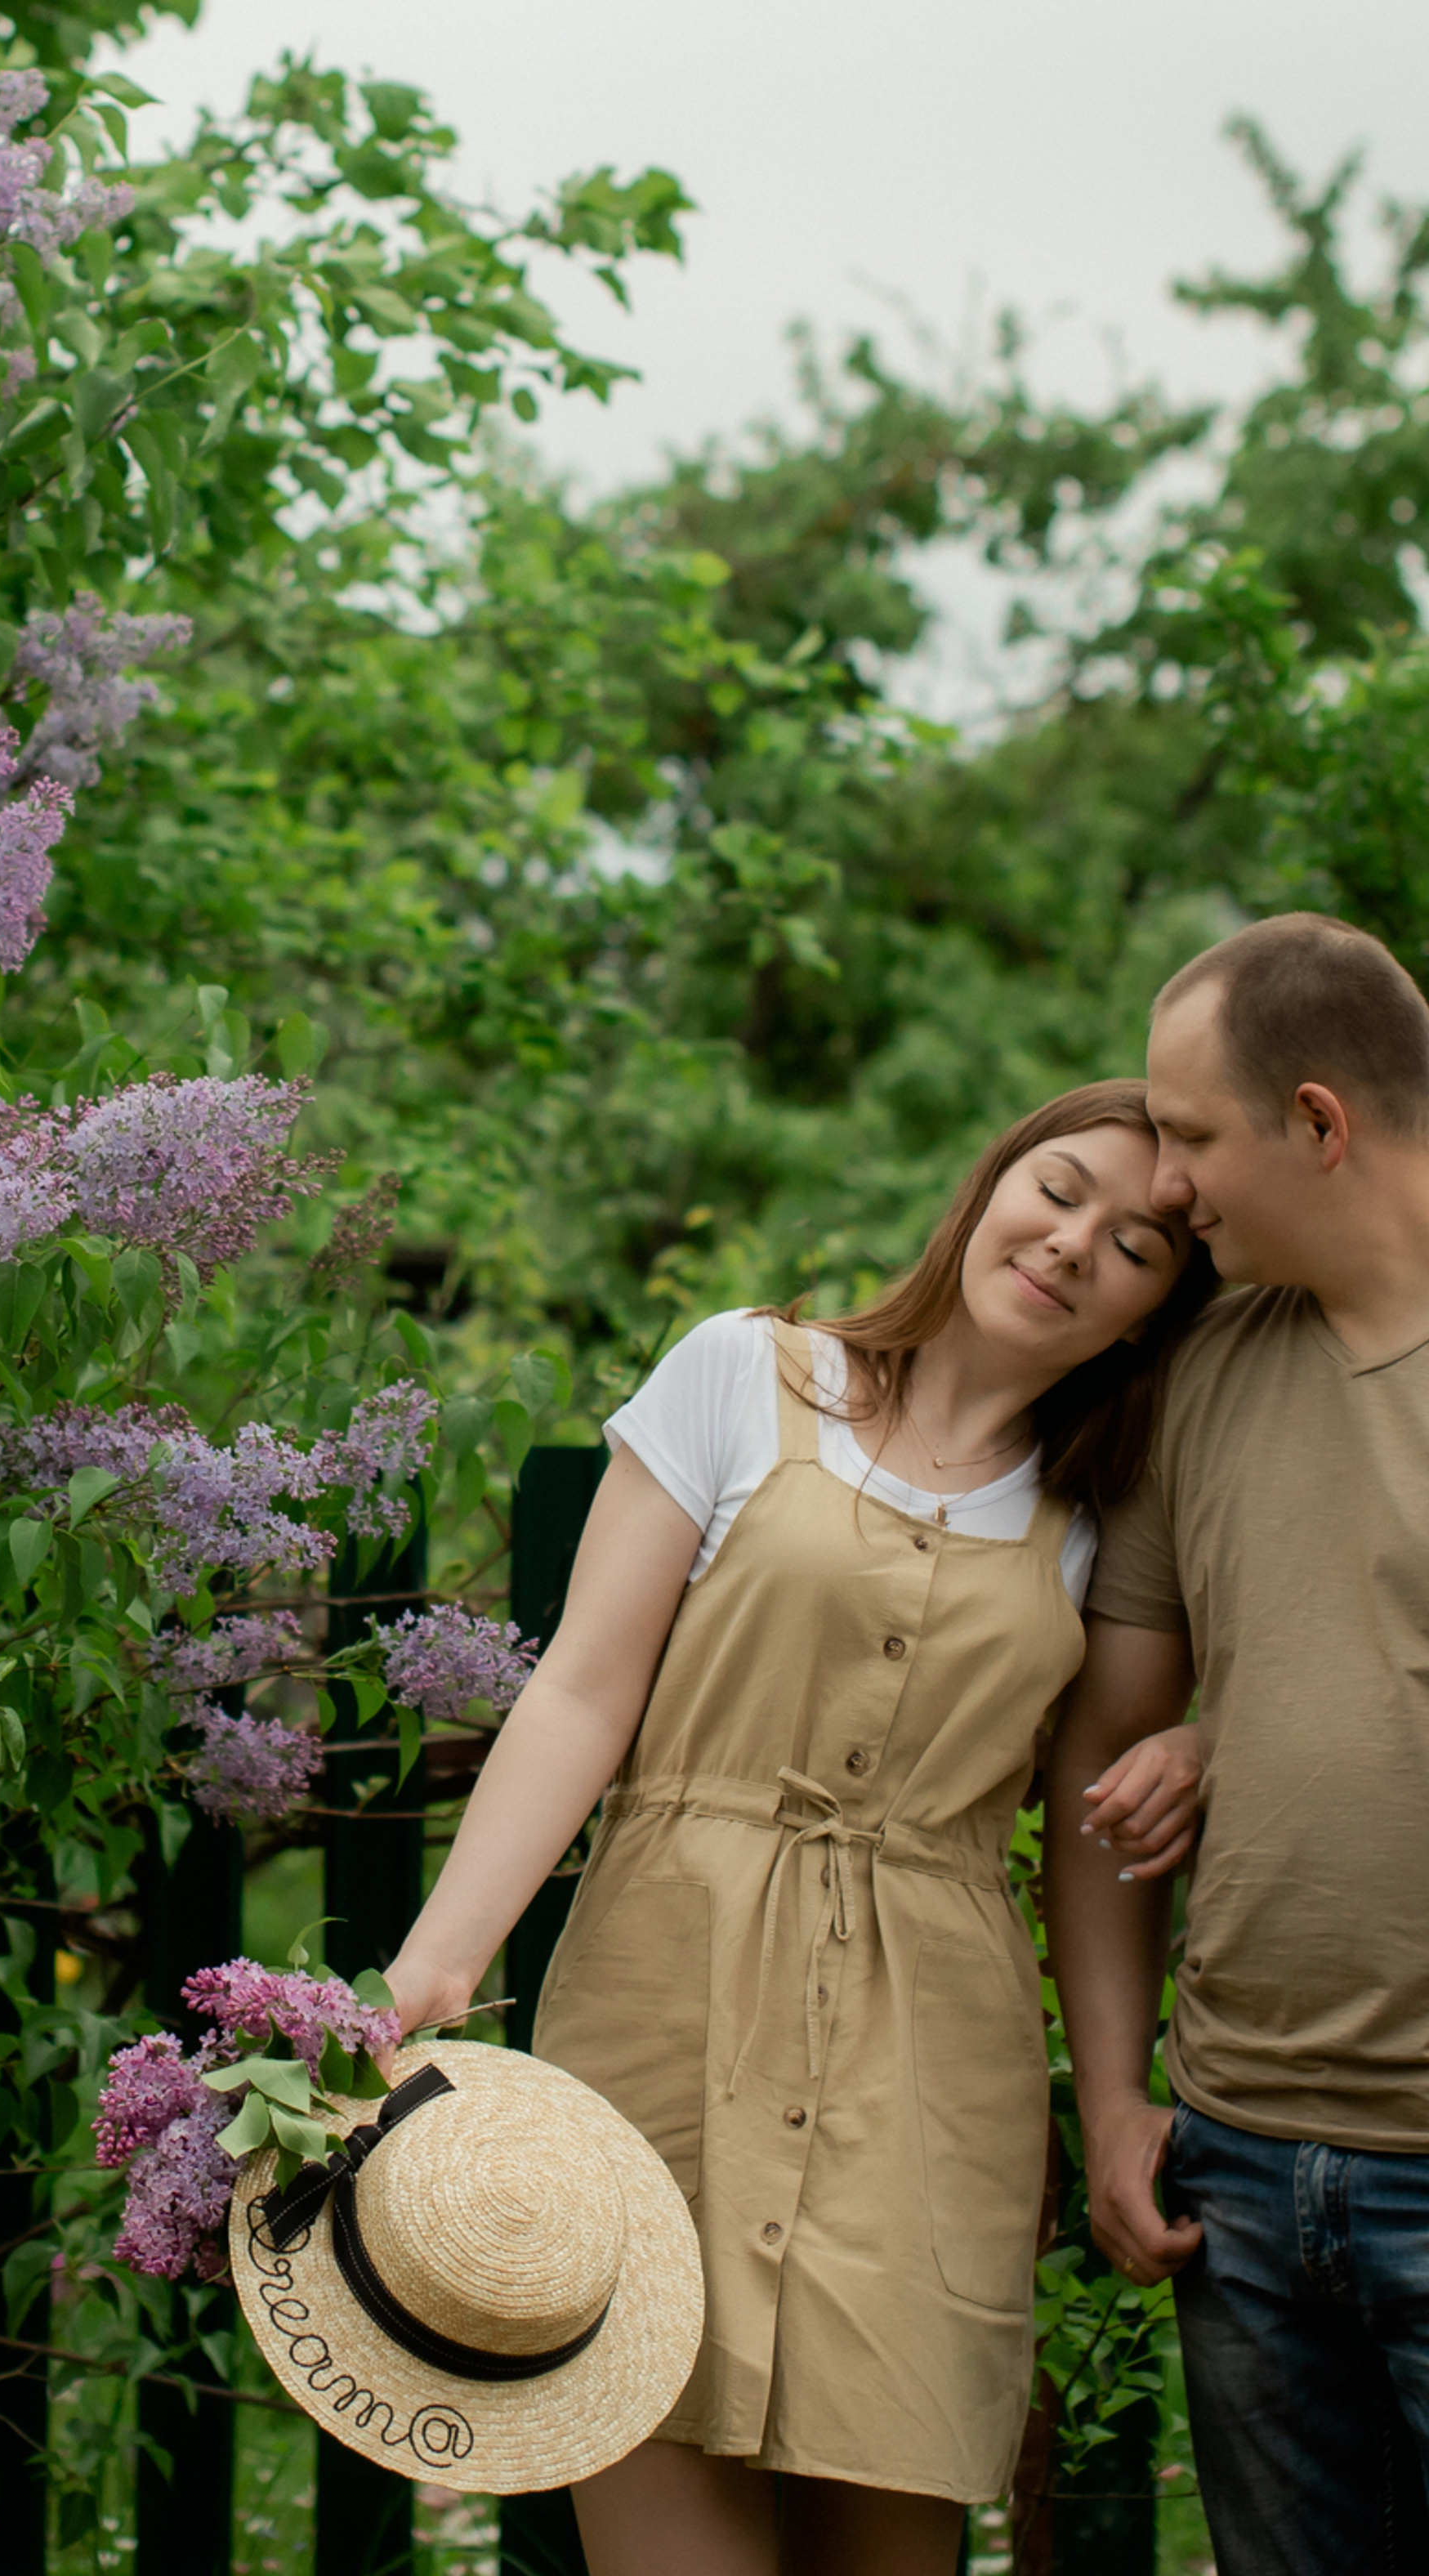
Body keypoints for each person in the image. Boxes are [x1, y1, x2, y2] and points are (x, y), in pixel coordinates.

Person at [383, 1082, 1215, 2576]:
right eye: (1061, 1188)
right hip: (662, 2012)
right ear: (991, 1179)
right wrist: (442, 1962)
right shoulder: (743, 1373)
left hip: (931, 2070)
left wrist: (1110, 2108)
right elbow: (582, 1690)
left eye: (1140, 1248)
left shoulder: (1108, 1516)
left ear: (1153, 1317)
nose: (1078, 1243)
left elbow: (1097, 1836)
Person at [1045, 913, 1429, 2574]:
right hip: (1245, 2176)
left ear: (1319, 1122)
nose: (1169, 1186)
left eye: (1192, 1136)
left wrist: (1232, 1736)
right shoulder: (1203, 1368)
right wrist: (1117, 2096)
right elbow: (1099, 1758)